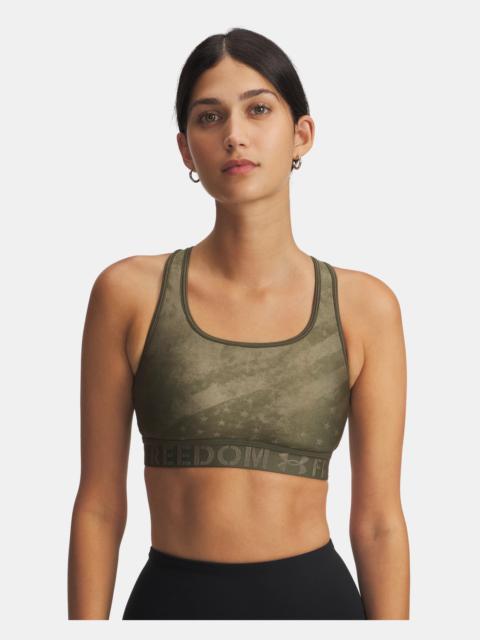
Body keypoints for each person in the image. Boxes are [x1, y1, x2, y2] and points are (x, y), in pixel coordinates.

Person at [68, 27, 410, 620]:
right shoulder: (128, 294)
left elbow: (379, 521)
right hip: (170, 609)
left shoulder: (364, 307)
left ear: (301, 134)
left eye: (258, 109)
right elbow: (98, 507)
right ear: (186, 150)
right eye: (209, 117)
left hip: (319, 610)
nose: (234, 135)